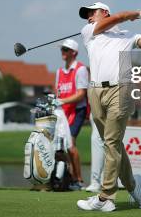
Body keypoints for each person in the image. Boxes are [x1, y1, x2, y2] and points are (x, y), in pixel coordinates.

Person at [76, 2, 141, 212]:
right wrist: (135, 13)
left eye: (92, 12)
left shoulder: (129, 36)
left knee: (111, 141)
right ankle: (134, 187)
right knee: (112, 144)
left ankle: (106, 197)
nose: (88, 17)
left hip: (121, 90)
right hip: (95, 91)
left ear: (104, 12)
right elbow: (118, 17)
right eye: (87, 14)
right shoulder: (89, 31)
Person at [53, 39, 89, 190]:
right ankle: (69, 177)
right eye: (62, 49)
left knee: (71, 145)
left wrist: (62, 101)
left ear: (74, 53)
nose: (63, 52)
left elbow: (81, 94)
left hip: (77, 110)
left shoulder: (80, 69)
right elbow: (58, 93)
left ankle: (79, 180)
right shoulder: (59, 72)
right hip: (63, 112)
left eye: (66, 50)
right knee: (59, 148)